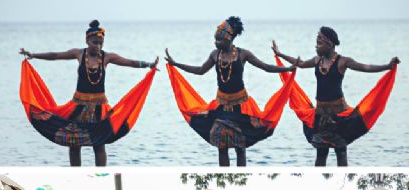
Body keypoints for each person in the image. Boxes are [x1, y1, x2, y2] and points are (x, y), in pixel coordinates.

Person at [19, 20, 159, 166]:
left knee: (99, 145)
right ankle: (76, 175)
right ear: (87, 41)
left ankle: (101, 174)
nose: (98, 46)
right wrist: (33, 55)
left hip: (99, 107)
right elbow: (55, 55)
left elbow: (129, 62)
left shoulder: (107, 57)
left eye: (100, 43)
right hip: (77, 106)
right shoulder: (79, 54)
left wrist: (149, 65)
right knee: (73, 145)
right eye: (94, 42)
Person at [165, 16, 297, 166]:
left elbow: (266, 67)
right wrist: (176, 64)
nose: (216, 43)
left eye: (220, 40)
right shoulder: (215, 55)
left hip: (241, 106)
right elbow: (200, 70)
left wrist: (287, 68)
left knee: (240, 147)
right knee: (222, 147)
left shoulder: (243, 54)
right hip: (221, 106)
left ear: (230, 38)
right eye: (215, 40)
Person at [273, 27, 400, 166]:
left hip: (340, 116)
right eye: (317, 43)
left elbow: (366, 67)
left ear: (330, 44)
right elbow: (301, 64)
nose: (317, 46)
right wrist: (280, 54)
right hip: (320, 116)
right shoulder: (317, 60)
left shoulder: (342, 61)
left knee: (341, 154)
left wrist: (387, 66)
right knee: (321, 155)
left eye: (320, 43)